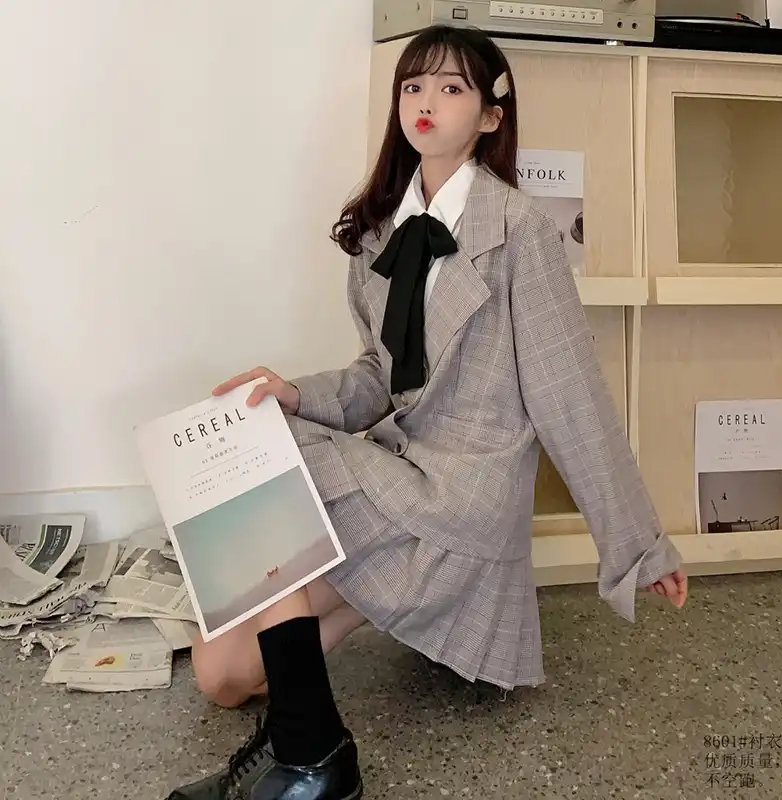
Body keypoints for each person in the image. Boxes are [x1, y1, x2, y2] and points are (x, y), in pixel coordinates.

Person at [167, 23, 688, 800]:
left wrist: (639, 546)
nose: (427, 102)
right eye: (413, 85)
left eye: (451, 88)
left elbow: (570, 397)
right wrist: (296, 394)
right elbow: (379, 377)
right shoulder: (379, 230)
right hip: (396, 473)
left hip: (463, 492)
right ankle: (358, 626)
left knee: (273, 461)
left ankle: (313, 758)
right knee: (223, 675)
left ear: (489, 116)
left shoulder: (520, 232)